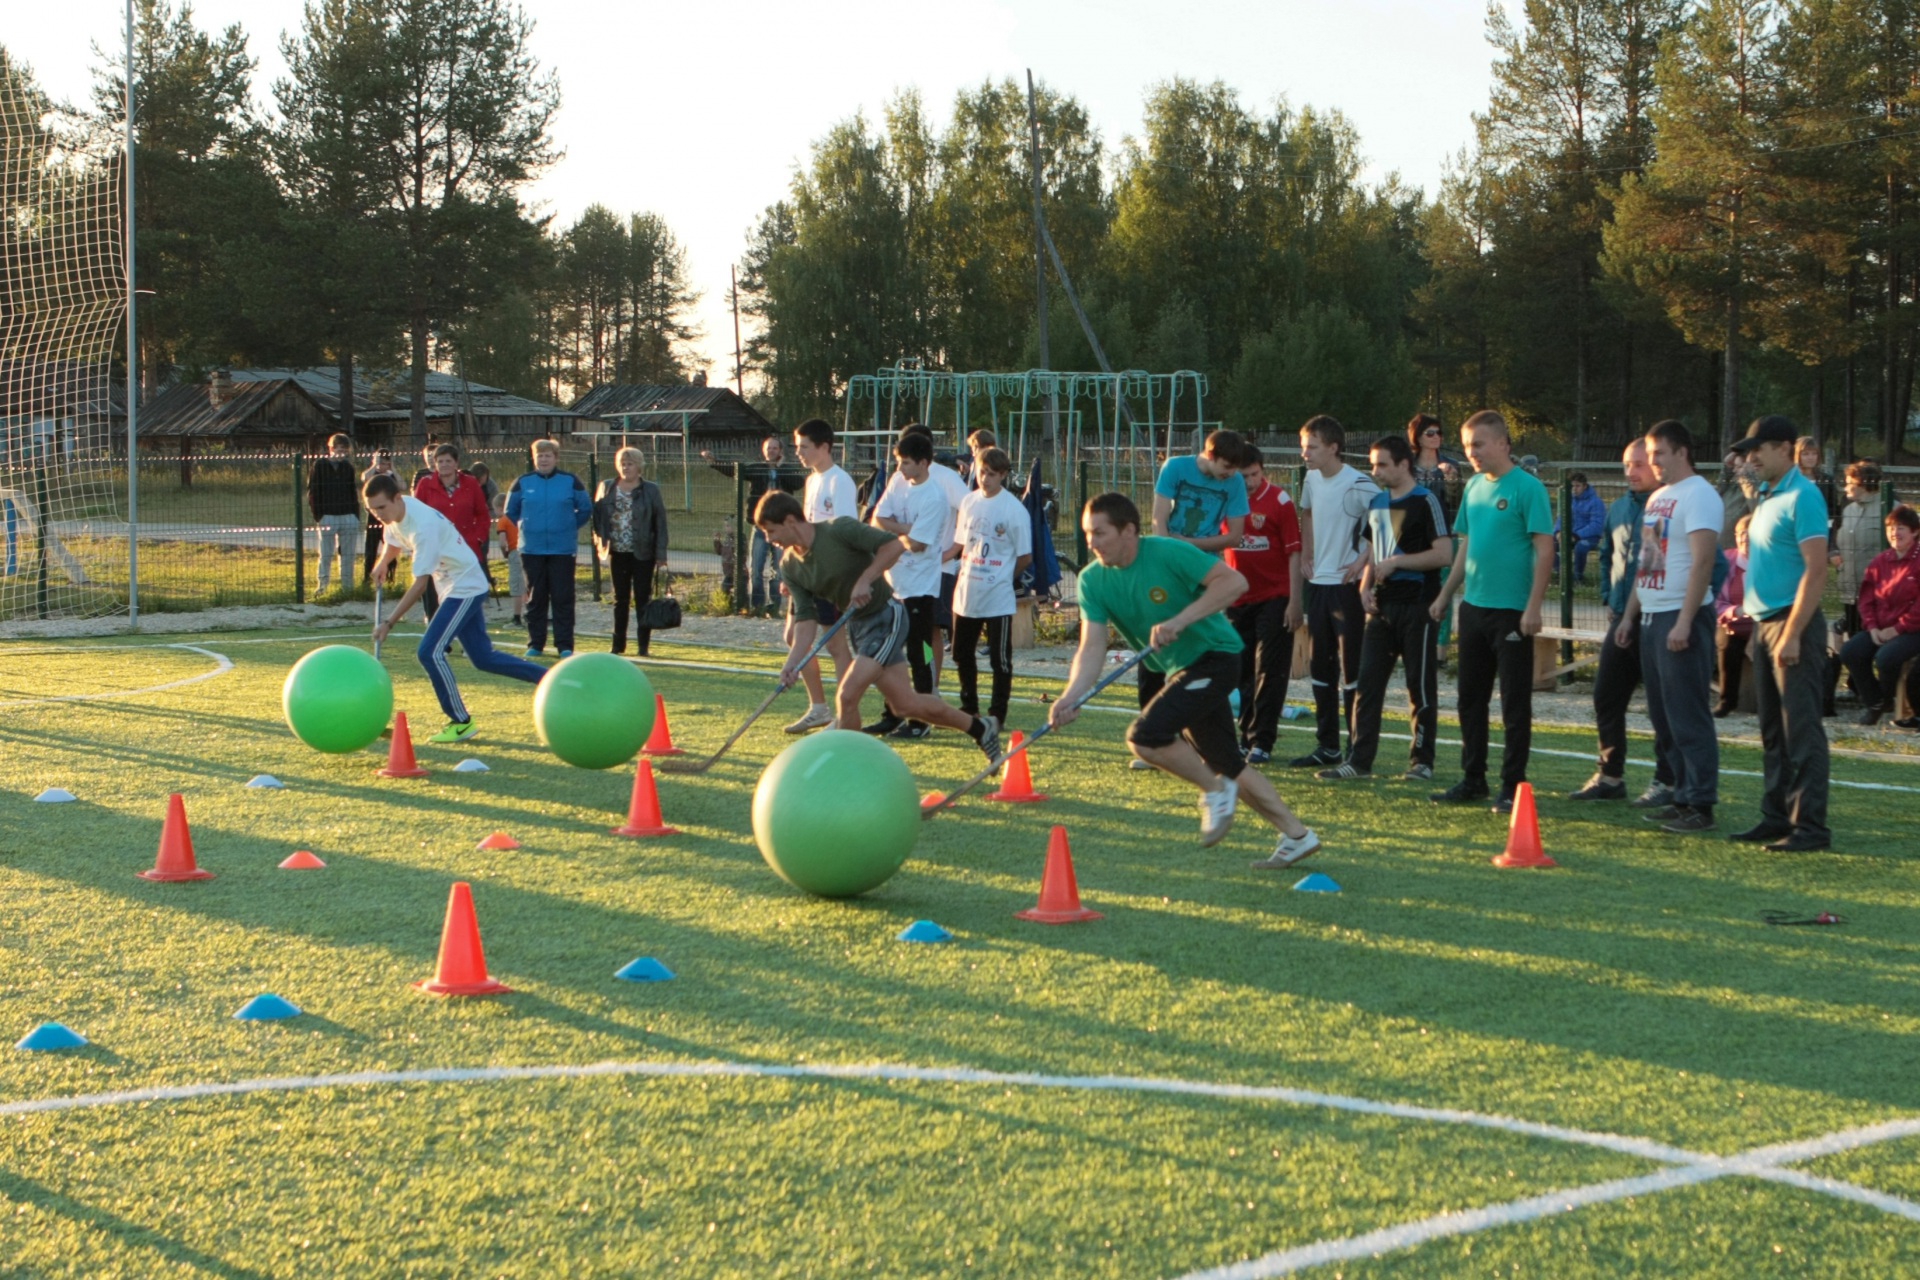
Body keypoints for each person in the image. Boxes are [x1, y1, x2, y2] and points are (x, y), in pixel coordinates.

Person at [1053, 492, 1323, 865]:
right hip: (1180, 668)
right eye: (1087, 534)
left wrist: (1180, 620)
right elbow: (1092, 647)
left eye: (1099, 533)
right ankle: (1297, 835)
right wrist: (1071, 696)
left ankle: (1215, 792)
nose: (1091, 543)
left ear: (1129, 530)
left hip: (1216, 655)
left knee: (1145, 737)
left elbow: (1233, 583)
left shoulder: (1167, 552)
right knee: (1226, 760)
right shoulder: (1090, 580)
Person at [754, 490, 999, 757]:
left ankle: (849, 766)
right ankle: (980, 728)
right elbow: (805, 619)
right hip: (860, 628)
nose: (770, 539)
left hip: (886, 617)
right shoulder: (790, 566)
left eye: (771, 531)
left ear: (790, 521)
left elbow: (894, 545)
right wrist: (792, 663)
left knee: (847, 696)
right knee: (905, 705)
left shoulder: (838, 529)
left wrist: (866, 578)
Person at [1428, 410, 1554, 815]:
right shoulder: (1474, 487)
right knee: (1470, 700)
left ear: (1503, 443)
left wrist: (1533, 606)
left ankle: (1513, 786)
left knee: (1514, 704)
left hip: (1513, 612)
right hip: (1475, 609)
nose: (1472, 453)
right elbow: (1467, 545)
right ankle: (1473, 779)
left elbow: (1544, 548)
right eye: (1467, 446)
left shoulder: (1527, 488)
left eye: (1478, 444)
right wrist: (1447, 594)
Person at [364, 473, 547, 743]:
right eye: (372, 510)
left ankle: (460, 721)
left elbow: (419, 586)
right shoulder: (396, 514)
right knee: (483, 658)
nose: (378, 514)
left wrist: (389, 623)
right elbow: (392, 538)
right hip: (454, 586)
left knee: (429, 652)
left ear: (397, 498)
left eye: (381, 507)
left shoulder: (422, 526)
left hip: (465, 587)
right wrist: (382, 563)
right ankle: (548, 679)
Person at [1318, 435, 1451, 782]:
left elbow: (1444, 553)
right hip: (1381, 608)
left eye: (1382, 465)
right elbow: (1374, 553)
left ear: (1404, 464)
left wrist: (1399, 562)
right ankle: (1359, 761)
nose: (1375, 471)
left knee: (1418, 686)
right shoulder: (1377, 503)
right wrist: (1364, 587)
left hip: (1418, 606)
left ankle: (1422, 762)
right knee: (1367, 685)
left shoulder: (1426, 501)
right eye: (1373, 464)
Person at [1726, 415, 1832, 851]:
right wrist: (1759, 628)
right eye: (1749, 450)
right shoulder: (1768, 497)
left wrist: (1792, 632)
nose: (1752, 457)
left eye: (1760, 449)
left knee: (1801, 728)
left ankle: (1809, 827)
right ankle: (1776, 816)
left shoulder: (1803, 496)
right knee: (1772, 728)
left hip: (1793, 625)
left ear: (1785, 449)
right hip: (1768, 623)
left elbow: (1816, 568)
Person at [1617, 421, 1724, 833]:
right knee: (1663, 716)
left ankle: (1701, 804)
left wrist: (1683, 620)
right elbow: (1648, 563)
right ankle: (1681, 794)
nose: (1653, 462)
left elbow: (1701, 563)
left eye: (1659, 453)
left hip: (1681, 615)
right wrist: (1629, 615)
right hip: (1652, 614)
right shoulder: (1659, 497)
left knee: (1687, 713)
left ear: (1681, 451)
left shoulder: (1700, 495)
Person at [1139, 429, 1252, 770]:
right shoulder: (1175, 468)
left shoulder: (1234, 484)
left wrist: (1187, 548)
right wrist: (1166, 555)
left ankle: (1208, 745)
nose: (1231, 474)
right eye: (1227, 466)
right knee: (1157, 649)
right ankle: (1153, 738)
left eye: (1235, 469)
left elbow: (1233, 535)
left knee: (1203, 651)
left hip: (1205, 572)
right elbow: (1159, 519)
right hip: (1167, 567)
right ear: (1210, 454)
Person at [1571, 440, 1674, 803]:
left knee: (1661, 704)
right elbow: (1606, 557)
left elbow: (1655, 568)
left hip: (1656, 618)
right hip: (1622, 618)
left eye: (1640, 464)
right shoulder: (1617, 508)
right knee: (1606, 695)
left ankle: (1668, 780)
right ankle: (1610, 776)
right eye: (1627, 465)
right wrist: (1608, 598)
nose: (1632, 472)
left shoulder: (1665, 507)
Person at [1290, 415, 1380, 770]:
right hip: (1319, 585)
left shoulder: (1359, 483)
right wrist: (1308, 554)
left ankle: (1356, 749)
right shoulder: (1311, 479)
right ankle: (1327, 746)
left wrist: (1362, 562)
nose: (1305, 454)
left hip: (1346, 589)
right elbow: (1308, 513)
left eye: (1311, 447)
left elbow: (1388, 524)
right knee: (1320, 669)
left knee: (1351, 670)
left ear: (1333, 448)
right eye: (1303, 447)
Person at [869, 431, 955, 738]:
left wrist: (901, 531)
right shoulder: (897, 481)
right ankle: (892, 714)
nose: (901, 469)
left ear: (922, 462)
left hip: (921, 587)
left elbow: (918, 543)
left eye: (906, 463)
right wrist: (905, 528)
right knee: (889, 654)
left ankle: (922, 718)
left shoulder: (934, 497)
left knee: (921, 654)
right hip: (894, 582)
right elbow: (877, 519)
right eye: (899, 463)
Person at [948, 446, 1033, 739]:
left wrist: (1002, 577)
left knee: (1000, 659)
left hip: (997, 597)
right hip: (966, 592)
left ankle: (997, 714)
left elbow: (1025, 556)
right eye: (982, 472)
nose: (985, 479)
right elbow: (961, 543)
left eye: (992, 474)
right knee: (961, 653)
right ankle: (969, 707)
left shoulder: (1014, 510)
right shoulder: (969, 502)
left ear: (1004, 475)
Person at [781, 418, 860, 732]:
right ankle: (818, 708)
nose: (799, 452)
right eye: (798, 446)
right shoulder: (812, 481)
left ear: (824, 447)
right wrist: (795, 572)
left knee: (836, 645)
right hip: (806, 573)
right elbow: (804, 530)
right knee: (792, 637)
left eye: (804, 447)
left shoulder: (840, 481)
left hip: (829, 576)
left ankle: (845, 713)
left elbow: (844, 532)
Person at [1225, 446, 1300, 765]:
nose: (1251, 481)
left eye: (1255, 474)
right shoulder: (1227, 500)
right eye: (1243, 477)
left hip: (1275, 598)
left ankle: (1262, 741)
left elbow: (1294, 552)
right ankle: (1243, 737)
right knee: (1240, 670)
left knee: (1269, 671)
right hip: (1237, 599)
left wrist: (1296, 601)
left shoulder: (1280, 502)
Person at [507, 438, 592, 659]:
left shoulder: (570, 481)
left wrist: (568, 526)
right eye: (539, 455)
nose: (543, 459)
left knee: (563, 597)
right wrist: (527, 527)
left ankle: (564, 645)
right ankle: (536, 643)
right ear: (534, 458)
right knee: (536, 598)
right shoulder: (523, 482)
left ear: (556, 458)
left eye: (548, 455)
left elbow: (585, 508)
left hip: (562, 550)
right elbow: (511, 511)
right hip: (532, 550)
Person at [1838, 504, 1920, 727]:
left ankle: (1887, 699)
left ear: (1914, 532)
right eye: (1891, 528)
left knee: (1886, 658)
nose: (1895, 533)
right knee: (1851, 651)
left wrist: (1897, 629)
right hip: (1880, 628)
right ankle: (1875, 702)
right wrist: (1872, 627)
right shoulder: (1880, 562)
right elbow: (1866, 599)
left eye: (1901, 528)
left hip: (1912, 630)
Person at [702, 434, 804, 612]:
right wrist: (714, 462)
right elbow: (735, 471)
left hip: (782, 527)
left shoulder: (788, 468)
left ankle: (774, 606)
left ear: (780, 451)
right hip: (761, 527)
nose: (771, 451)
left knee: (778, 570)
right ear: (763, 451)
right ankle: (757, 606)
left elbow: (798, 483)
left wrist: (780, 469)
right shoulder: (757, 468)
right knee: (756, 568)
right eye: (768, 448)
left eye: (774, 448)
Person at [593, 446, 669, 657]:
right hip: (617, 551)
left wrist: (661, 553)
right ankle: (618, 645)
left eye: (630, 463)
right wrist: (600, 542)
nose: (626, 468)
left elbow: (660, 522)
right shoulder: (607, 487)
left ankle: (643, 645)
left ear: (639, 466)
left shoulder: (650, 490)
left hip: (643, 551)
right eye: (623, 463)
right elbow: (597, 517)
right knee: (620, 599)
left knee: (643, 598)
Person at [1828, 459, 1884, 713]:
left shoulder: (1888, 508)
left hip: (1876, 594)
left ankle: (1876, 693)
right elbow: (1838, 541)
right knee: (1851, 637)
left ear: (1866, 484)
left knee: (1870, 641)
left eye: (1851, 483)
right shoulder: (1848, 510)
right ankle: (1858, 688)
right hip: (1848, 589)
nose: (1846, 487)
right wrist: (1835, 555)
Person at [410, 443, 490, 621]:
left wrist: (478, 537)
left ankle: (467, 641)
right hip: (435, 549)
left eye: (448, 461)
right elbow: (417, 515)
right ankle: (438, 639)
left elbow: (482, 514)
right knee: (434, 595)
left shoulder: (470, 484)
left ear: (456, 463)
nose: (444, 464)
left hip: (465, 547)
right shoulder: (425, 485)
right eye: (440, 461)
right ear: (435, 464)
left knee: (466, 594)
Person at [307, 433, 360, 594]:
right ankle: (322, 586)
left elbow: (353, 492)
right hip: (327, 515)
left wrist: (355, 515)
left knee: (348, 554)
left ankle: (347, 588)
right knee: (326, 553)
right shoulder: (320, 465)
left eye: (345, 450)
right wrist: (319, 515)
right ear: (331, 448)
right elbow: (313, 491)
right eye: (340, 449)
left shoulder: (348, 467)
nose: (342, 454)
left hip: (348, 515)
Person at [1715, 516, 1754, 718]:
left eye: (1750, 535)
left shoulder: (1769, 562)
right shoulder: (1727, 560)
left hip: (1765, 625)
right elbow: (1715, 600)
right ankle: (1726, 701)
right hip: (1733, 624)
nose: (1745, 540)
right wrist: (1734, 611)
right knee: (1727, 646)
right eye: (1741, 535)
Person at [362, 450, 396, 584]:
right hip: (373, 517)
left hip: (389, 518)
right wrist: (374, 466)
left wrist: (393, 469)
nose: (382, 465)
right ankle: (367, 578)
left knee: (391, 547)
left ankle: (390, 578)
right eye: (380, 462)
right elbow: (364, 477)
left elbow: (402, 485)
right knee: (370, 549)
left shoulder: (390, 476)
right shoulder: (372, 475)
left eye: (384, 462)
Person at [491, 491, 525, 626]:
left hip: (514, 552)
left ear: (500, 508)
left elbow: (502, 542)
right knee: (528, 583)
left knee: (516, 586)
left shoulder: (503, 520)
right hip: (526, 551)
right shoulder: (519, 517)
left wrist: (504, 553)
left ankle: (517, 617)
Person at [1568, 472, 1607, 585]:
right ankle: (1562, 574)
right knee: (1550, 544)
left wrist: (1577, 535)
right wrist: (1558, 532)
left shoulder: (1596, 502)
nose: (1574, 489)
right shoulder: (1569, 500)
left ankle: (1578, 577)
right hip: (1571, 535)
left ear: (1585, 486)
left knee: (1581, 547)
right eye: (1572, 486)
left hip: (1590, 537)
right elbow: (1562, 519)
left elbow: (1596, 525)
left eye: (1577, 486)